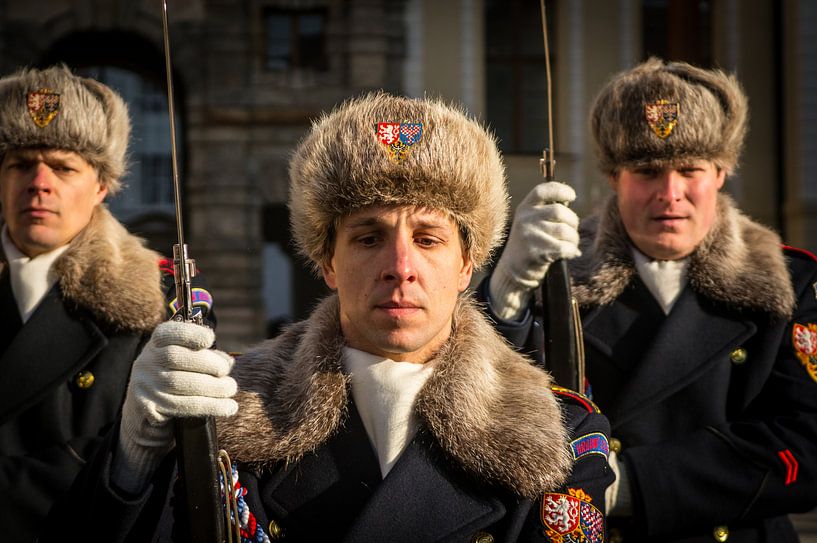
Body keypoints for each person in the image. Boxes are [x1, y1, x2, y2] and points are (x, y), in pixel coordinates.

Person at [45, 93, 614, 543]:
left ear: (469, 264)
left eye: (429, 238)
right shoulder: (228, 412)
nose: (400, 266)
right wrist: (132, 457)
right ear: (328, 262)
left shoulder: (558, 436)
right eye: (368, 237)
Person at [477, 57, 817, 542]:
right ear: (614, 177)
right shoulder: (554, 274)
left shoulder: (791, 284)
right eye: (647, 170)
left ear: (721, 172)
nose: (670, 193)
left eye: (689, 169)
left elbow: (806, 446)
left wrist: (635, 483)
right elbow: (484, 411)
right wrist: (506, 294)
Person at [0, 65, 214, 542]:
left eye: (63, 166)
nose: (39, 182)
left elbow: (154, 462)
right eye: (19, 164)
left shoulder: (161, 303)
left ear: (101, 186)